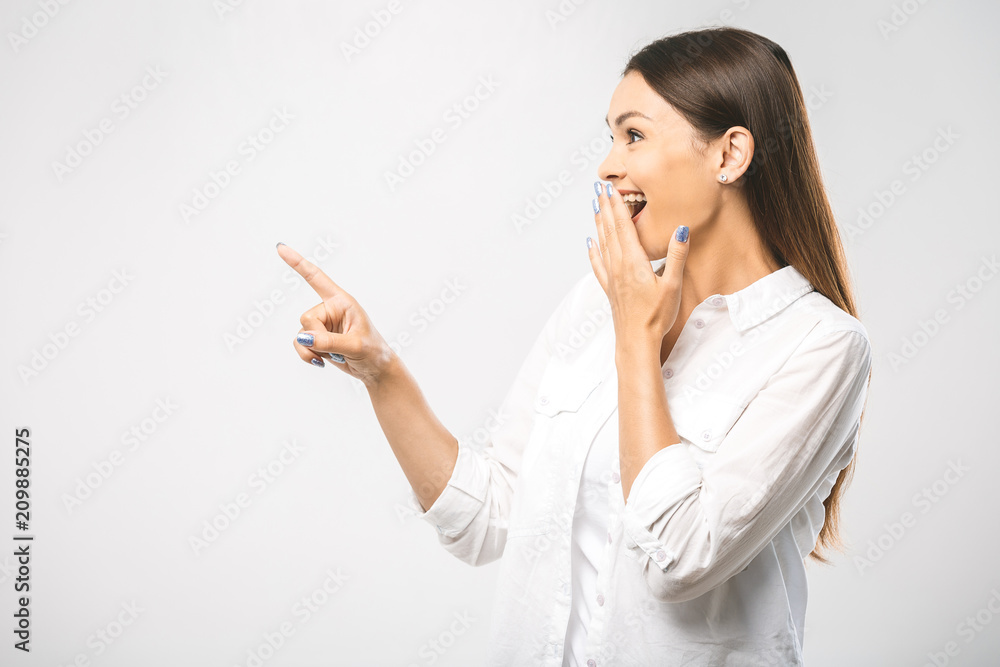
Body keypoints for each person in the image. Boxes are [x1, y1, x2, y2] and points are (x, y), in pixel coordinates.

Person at [276, 25, 873, 667]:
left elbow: (680, 557)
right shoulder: (594, 303)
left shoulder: (821, 347)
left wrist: (637, 341)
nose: (607, 165)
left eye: (634, 135)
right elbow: (488, 522)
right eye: (610, 137)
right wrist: (380, 371)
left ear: (729, 155)